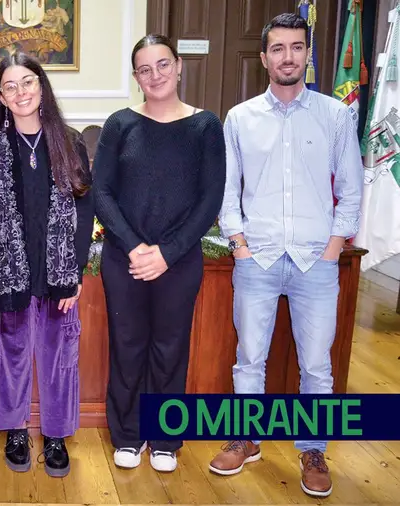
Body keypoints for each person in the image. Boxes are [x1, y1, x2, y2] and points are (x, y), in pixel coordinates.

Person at [210, 13, 363, 497]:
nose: (288, 57)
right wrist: (239, 245)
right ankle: (244, 437)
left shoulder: (336, 115)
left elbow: (353, 190)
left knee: (317, 365)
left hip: (316, 260)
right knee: (249, 357)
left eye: (297, 47)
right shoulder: (240, 118)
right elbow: (226, 189)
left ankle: (313, 449)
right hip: (257, 258)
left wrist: (334, 248)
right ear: (264, 59)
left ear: (308, 55)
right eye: (278, 48)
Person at [92, 34, 225, 473]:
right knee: (128, 346)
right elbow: (102, 192)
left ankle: (165, 437)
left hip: (179, 259)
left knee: (170, 348)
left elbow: (210, 199)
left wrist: (166, 253)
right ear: (135, 77)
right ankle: (128, 435)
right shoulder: (119, 124)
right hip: (123, 258)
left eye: (163, 65)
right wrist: (135, 247)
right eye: (145, 69)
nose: (155, 75)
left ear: (179, 66)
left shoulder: (205, 126)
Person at [0, 53, 93, 478]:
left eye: (28, 82)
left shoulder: (69, 139)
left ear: (41, 87)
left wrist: (76, 271)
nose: (21, 92)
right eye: (10, 86)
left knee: (59, 354)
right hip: (9, 273)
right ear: (1, 97)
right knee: (9, 354)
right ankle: (14, 430)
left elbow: (85, 204)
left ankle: (57, 435)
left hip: (57, 272)